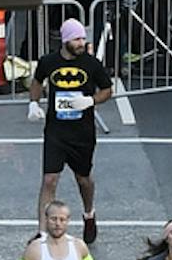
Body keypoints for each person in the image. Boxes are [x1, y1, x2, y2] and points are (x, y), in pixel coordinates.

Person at [28, 15, 113, 238]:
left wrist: (91, 100)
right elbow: (37, 81)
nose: (81, 43)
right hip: (56, 131)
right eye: (76, 39)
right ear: (65, 40)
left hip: (82, 132)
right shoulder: (48, 62)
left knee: (83, 178)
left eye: (83, 39)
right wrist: (33, 103)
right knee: (49, 179)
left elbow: (107, 89)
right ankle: (42, 232)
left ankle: (89, 213)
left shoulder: (91, 64)